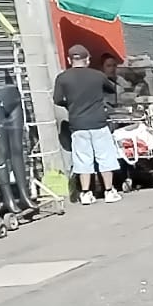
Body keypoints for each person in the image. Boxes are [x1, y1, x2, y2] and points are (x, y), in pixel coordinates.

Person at [53, 44, 121, 205]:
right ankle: (109, 191)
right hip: (98, 122)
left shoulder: (62, 78)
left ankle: (85, 193)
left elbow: (57, 100)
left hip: (78, 124)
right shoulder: (98, 76)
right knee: (105, 157)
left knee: (83, 159)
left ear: (70, 60)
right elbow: (111, 90)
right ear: (88, 60)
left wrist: (71, 104)